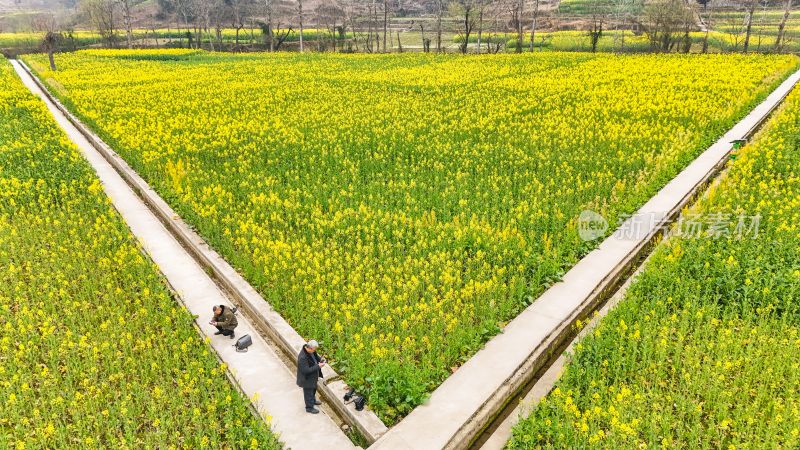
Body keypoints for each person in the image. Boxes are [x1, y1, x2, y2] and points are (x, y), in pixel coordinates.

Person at [296, 339, 325, 414]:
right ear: (310, 348)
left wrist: (321, 360)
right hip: (306, 379)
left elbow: (315, 357)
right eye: (314, 349)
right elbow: (305, 370)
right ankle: (309, 408)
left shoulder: (311, 351)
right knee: (308, 392)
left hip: (313, 377)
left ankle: (313, 401)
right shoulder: (302, 357)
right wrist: (318, 366)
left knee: (313, 389)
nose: (315, 351)